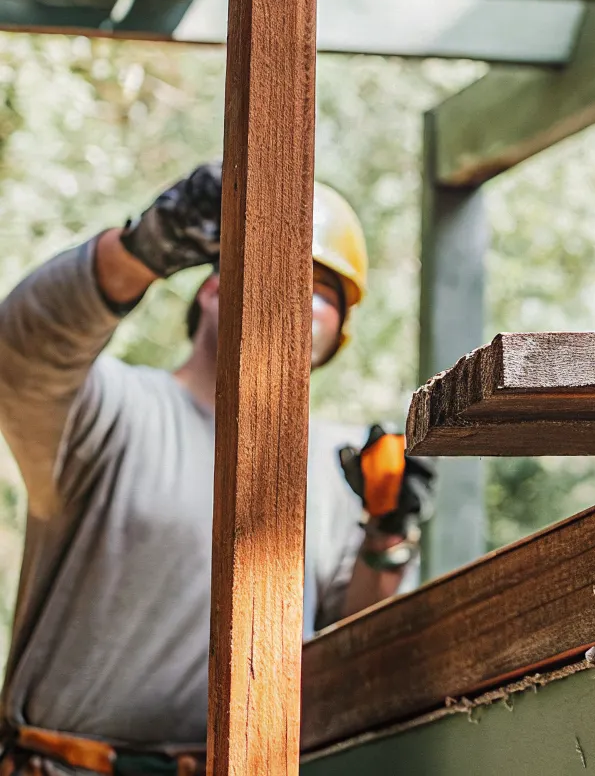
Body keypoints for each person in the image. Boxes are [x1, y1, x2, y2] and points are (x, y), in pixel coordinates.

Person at [0, 163, 434, 775]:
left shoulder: (340, 469)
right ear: (210, 291)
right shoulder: (113, 410)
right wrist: (137, 253)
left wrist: (387, 531)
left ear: (338, 334)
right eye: (277, 271)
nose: (298, 300)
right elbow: (22, 350)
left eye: (322, 292)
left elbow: (356, 644)